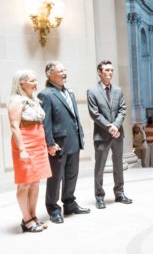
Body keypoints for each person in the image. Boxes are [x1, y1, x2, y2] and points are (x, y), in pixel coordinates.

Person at [38, 62, 90, 223]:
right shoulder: (46, 94)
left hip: (74, 140)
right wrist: (50, 143)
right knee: (55, 177)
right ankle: (53, 208)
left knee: (71, 174)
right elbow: (45, 123)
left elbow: (74, 116)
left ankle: (69, 202)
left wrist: (80, 133)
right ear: (50, 74)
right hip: (58, 143)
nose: (65, 73)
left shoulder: (70, 93)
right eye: (61, 71)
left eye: (65, 70)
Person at [8, 70, 52, 232]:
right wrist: (22, 150)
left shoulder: (33, 99)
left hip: (38, 144)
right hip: (25, 145)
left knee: (35, 182)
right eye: (32, 81)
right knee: (24, 183)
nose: (36, 83)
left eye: (35, 80)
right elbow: (14, 126)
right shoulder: (16, 101)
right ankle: (26, 219)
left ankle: (33, 216)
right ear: (21, 83)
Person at [87, 60, 133, 210]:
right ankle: (99, 196)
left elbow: (123, 110)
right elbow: (94, 113)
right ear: (99, 72)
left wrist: (116, 126)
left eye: (112, 70)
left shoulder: (118, 91)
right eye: (107, 70)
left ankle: (120, 193)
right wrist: (109, 127)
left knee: (118, 165)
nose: (110, 73)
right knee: (99, 167)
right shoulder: (92, 91)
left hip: (118, 134)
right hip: (102, 135)